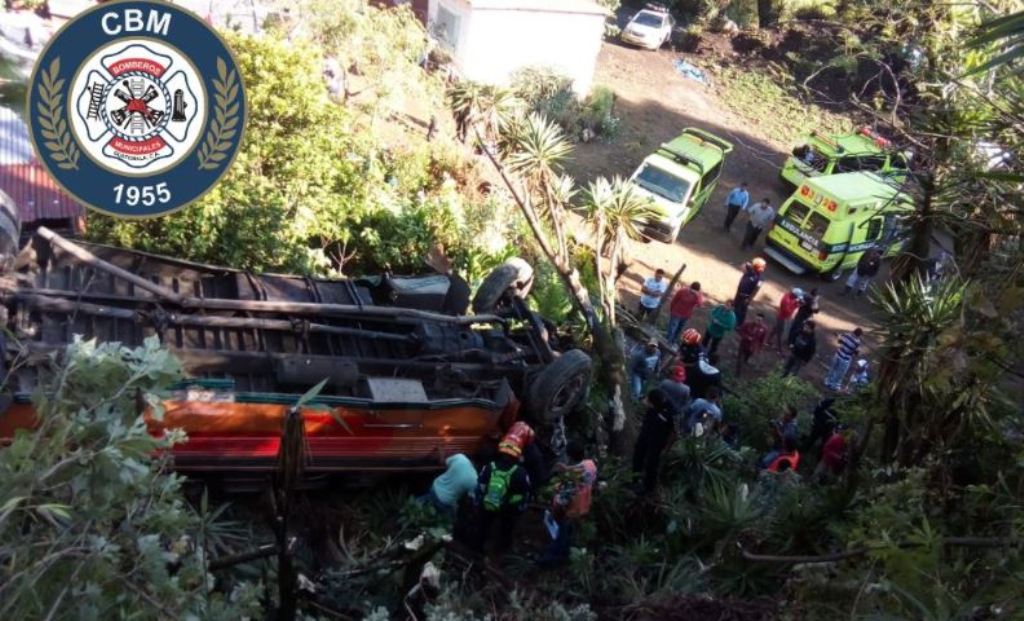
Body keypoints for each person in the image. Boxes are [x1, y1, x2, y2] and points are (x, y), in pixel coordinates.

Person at [473, 423, 534, 554]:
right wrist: (514, 506)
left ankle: (477, 549)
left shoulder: (490, 466)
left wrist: (480, 502)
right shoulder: (521, 473)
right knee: (506, 529)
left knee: (482, 527)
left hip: (487, 504)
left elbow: (480, 486)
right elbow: (524, 494)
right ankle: (501, 550)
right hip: (507, 509)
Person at [538, 441, 597, 567]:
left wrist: (553, 513)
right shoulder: (591, 465)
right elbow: (582, 468)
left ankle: (551, 560)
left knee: (562, 537)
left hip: (571, 510)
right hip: (584, 506)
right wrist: (567, 469)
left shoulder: (570, 480)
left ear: (570, 457)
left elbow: (562, 500)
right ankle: (563, 553)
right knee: (571, 534)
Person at [632, 388, 676, 494]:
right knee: (638, 456)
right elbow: (645, 403)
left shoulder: (670, 410)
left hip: (658, 440)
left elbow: (674, 432)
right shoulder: (653, 402)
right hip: (646, 433)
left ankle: (648, 488)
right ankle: (635, 479)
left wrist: (666, 448)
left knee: (652, 464)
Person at [418, 453, 477, 522]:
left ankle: (419, 503)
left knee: (428, 498)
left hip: (434, 487)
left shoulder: (460, 458)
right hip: (445, 502)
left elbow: (444, 462)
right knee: (452, 521)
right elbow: (471, 501)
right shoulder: (475, 480)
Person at [733, 258, 766, 326]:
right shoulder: (751, 269)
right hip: (739, 292)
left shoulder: (760, 278)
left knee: (742, 311)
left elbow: (756, 289)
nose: (763, 268)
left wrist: (749, 299)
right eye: (761, 266)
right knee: (735, 306)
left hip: (746, 296)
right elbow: (742, 266)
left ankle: (739, 324)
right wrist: (748, 265)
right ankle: (731, 319)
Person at [769, 287, 803, 353]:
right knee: (781, 333)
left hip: (781, 315)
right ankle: (779, 348)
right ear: (794, 294)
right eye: (796, 296)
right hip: (783, 318)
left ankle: (769, 340)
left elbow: (793, 302)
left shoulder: (789, 296)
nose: (797, 298)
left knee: (775, 328)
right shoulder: (786, 300)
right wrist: (796, 305)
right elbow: (788, 311)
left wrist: (796, 302)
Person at [735, 312, 768, 377]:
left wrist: (759, 348)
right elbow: (740, 331)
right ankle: (737, 373)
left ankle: (745, 360)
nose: (757, 321)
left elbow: (762, 339)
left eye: (759, 320)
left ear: (762, 321)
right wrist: (746, 337)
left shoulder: (764, 329)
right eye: (757, 319)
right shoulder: (748, 324)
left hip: (752, 347)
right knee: (740, 358)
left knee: (747, 355)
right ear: (755, 318)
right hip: (744, 343)